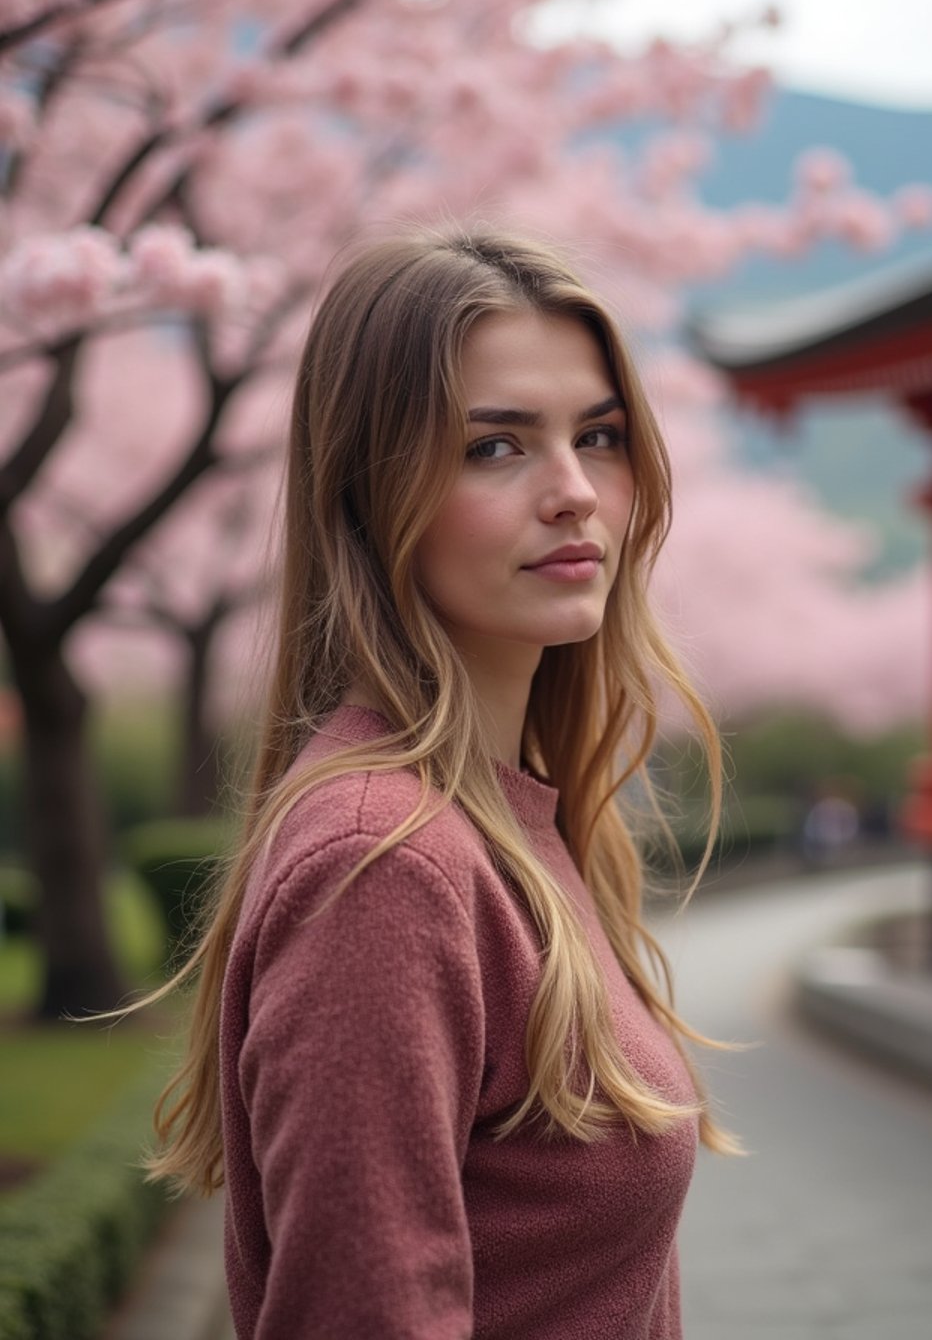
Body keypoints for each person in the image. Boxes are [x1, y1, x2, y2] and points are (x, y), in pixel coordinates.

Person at [139, 225, 738, 1339]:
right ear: (371, 493)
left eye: (598, 436)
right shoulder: (386, 867)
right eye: (494, 448)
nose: (574, 494)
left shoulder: (508, 818)